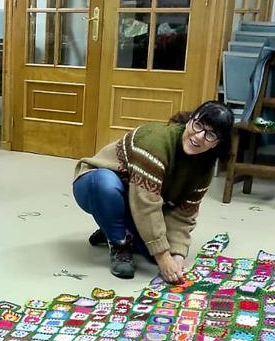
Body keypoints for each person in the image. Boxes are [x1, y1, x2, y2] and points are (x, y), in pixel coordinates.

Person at [74, 100, 233, 282]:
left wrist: (177, 255)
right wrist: (163, 257)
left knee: (153, 255)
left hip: (135, 198)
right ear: (190, 120)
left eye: (210, 135)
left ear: (217, 144)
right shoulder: (155, 141)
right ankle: (119, 243)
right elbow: (146, 204)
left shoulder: (205, 168)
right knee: (105, 184)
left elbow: (184, 214)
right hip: (94, 183)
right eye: (197, 125)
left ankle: (117, 227)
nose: (199, 136)